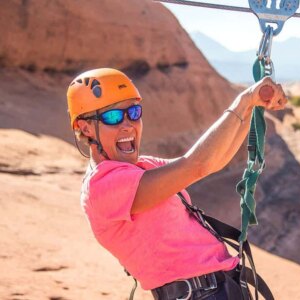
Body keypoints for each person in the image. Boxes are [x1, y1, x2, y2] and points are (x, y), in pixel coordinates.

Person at [67, 68, 287, 300]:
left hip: (221, 289)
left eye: (133, 112)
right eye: (112, 117)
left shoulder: (144, 166)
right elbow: (196, 165)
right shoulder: (102, 187)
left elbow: (212, 162)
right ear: (85, 127)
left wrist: (252, 107)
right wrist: (243, 100)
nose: (127, 124)